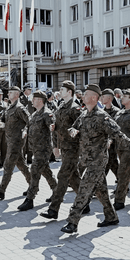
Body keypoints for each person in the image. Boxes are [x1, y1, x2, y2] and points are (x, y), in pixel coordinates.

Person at [60, 84, 130, 233]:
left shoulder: (102, 117)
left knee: (84, 189)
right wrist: (73, 131)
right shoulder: (84, 114)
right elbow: (74, 127)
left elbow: (118, 134)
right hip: (87, 158)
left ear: (94, 97)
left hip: (98, 161)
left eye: (86, 94)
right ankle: (111, 216)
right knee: (101, 191)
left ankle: (72, 222)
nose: (83, 96)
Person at [40, 80, 83, 220]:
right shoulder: (61, 106)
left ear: (69, 91)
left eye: (63, 89)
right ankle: (85, 203)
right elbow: (56, 128)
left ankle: (53, 209)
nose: (60, 91)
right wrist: (56, 146)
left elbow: (81, 129)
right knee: (74, 177)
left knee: (63, 176)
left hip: (72, 148)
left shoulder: (75, 108)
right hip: (64, 147)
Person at [17, 90, 58, 211]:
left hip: (44, 149)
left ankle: (30, 199)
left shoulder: (47, 114)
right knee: (46, 171)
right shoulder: (35, 114)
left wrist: (55, 144)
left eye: (34, 99)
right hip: (35, 148)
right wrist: (25, 131)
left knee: (34, 171)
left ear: (40, 100)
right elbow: (28, 125)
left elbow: (54, 128)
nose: (31, 101)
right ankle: (57, 191)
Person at [0, 86, 31, 201]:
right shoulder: (9, 107)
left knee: (7, 166)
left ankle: (1, 192)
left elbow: (29, 121)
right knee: (22, 165)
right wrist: (1, 122)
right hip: (10, 140)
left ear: (17, 94)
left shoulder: (20, 108)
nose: (8, 94)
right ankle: (33, 185)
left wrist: (25, 131)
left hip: (17, 142)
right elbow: (3, 118)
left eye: (11, 92)